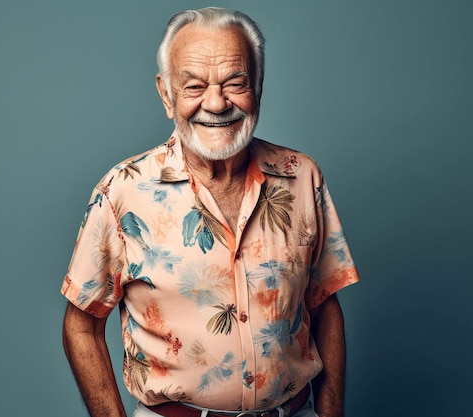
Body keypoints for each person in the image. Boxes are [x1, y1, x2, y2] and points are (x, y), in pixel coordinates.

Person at [62, 7, 359, 417]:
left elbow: (325, 305)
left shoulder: (302, 177)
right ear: (166, 94)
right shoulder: (122, 192)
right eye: (195, 86)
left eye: (236, 83)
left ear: (258, 86)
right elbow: (81, 326)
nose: (217, 103)